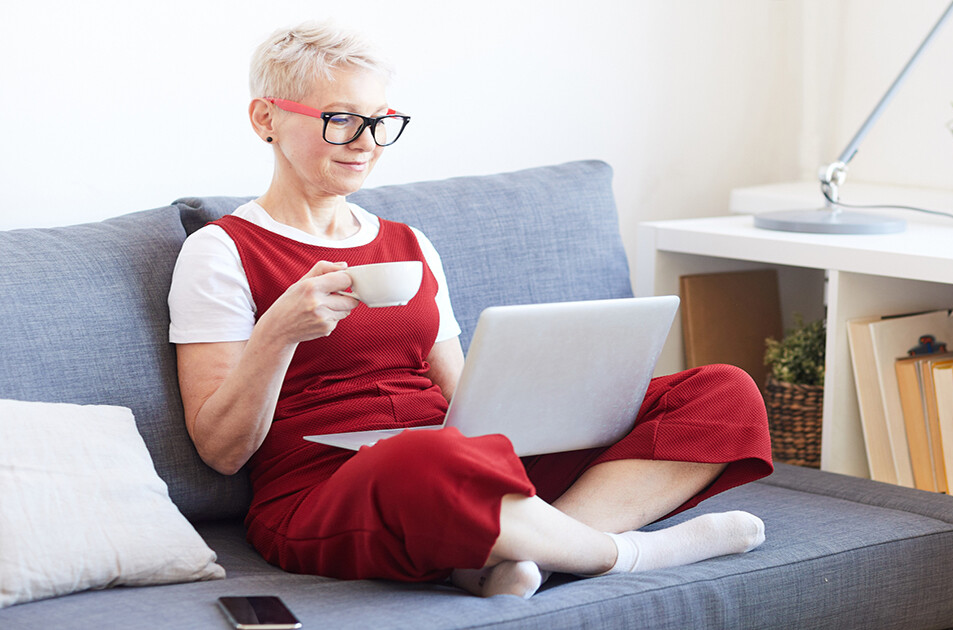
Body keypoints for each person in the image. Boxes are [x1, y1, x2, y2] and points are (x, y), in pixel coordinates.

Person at [168, 21, 774, 599]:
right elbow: (222, 453)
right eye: (341, 120)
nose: (365, 143)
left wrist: (555, 407)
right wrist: (278, 334)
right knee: (424, 455)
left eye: (380, 122)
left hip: (455, 458)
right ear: (265, 118)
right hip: (323, 491)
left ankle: (519, 553)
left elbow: (463, 400)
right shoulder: (220, 251)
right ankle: (624, 553)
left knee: (724, 390)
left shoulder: (409, 245)